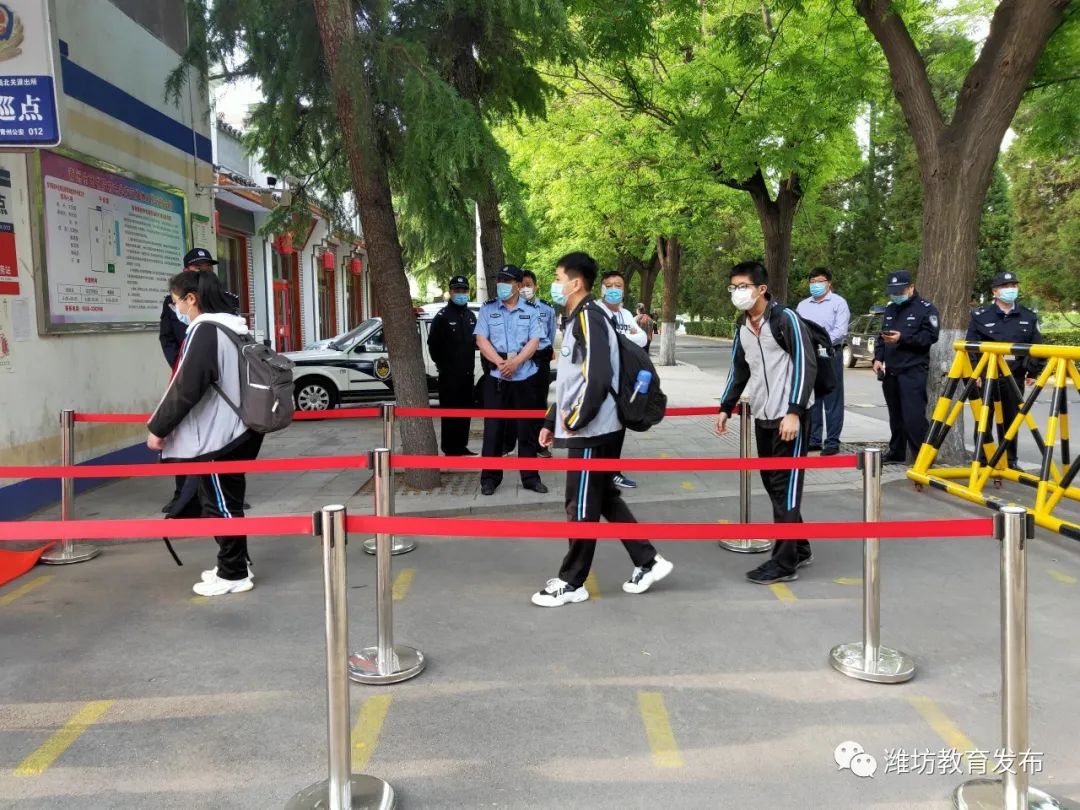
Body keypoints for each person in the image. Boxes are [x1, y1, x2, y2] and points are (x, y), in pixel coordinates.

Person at [533, 252, 673, 607]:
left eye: (558, 278)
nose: (555, 284)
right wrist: (553, 420)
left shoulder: (589, 318)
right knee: (604, 496)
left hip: (593, 429)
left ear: (575, 283)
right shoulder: (580, 317)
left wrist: (574, 422)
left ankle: (572, 582)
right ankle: (648, 561)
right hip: (591, 426)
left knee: (580, 503)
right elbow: (572, 381)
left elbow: (597, 378)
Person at [147, 271, 264, 596]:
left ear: (191, 298)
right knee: (226, 501)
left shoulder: (206, 330)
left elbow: (186, 387)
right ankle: (236, 564)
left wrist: (158, 428)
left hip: (219, 436)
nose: (176, 309)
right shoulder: (232, 326)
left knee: (220, 505)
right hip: (239, 430)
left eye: (176, 302)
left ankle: (233, 573)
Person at [717, 261, 817, 585]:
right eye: (733, 287)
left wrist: (795, 411)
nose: (737, 292)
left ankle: (783, 563)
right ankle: (799, 548)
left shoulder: (785, 319)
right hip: (763, 416)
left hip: (790, 418)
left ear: (761, 289)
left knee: (785, 487)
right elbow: (739, 368)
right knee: (773, 484)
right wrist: (726, 406)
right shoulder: (743, 326)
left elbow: (806, 364)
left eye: (743, 286)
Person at [157, 248, 240, 515]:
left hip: (216, 393)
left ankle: (231, 550)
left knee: (220, 497)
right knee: (189, 440)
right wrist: (181, 364)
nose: (203, 271)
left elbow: (188, 390)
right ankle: (184, 496)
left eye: (206, 267)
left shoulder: (214, 315)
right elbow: (167, 338)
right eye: (197, 267)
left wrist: (157, 429)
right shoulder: (179, 306)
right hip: (192, 377)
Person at [474, 264, 548, 496]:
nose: (502, 285)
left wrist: (515, 363)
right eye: (500, 281)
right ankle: (490, 478)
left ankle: (530, 477)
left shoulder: (532, 310)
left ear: (517, 284)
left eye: (507, 281)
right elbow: (481, 340)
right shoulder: (488, 309)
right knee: (493, 430)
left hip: (524, 376)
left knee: (526, 430)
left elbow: (535, 341)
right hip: (497, 377)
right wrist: (500, 363)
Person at [965, 270, 1043, 469]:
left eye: (1013, 286)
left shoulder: (1028, 316)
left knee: (1011, 420)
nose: (1010, 289)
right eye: (1005, 287)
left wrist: (1033, 372)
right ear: (995, 291)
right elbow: (971, 347)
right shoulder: (981, 316)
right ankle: (982, 460)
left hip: (1014, 377)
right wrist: (975, 373)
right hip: (987, 376)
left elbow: (1037, 346)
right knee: (984, 420)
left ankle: (1009, 461)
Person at [873, 270, 940, 464]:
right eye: (893, 292)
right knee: (896, 416)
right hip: (891, 371)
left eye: (900, 291)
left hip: (913, 370)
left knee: (913, 417)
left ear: (911, 287)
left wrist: (903, 338)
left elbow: (930, 337)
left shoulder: (926, 309)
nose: (896, 295)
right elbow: (881, 337)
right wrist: (878, 358)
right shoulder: (890, 309)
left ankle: (923, 458)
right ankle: (896, 452)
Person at [600, 270, 647, 489]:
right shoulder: (595, 312)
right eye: (609, 285)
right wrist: (626, 338)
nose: (614, 289)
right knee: (600, 429)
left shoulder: (626, 314)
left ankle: (613, 472)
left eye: (618, 286)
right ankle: (597, 473)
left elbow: (642, 338)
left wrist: (620, 338)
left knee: (619, 427)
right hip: (601, 381)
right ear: (601, 288)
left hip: (624, 380)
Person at [796, 267, 850, 456]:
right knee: (813, 397)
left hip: (830, 353)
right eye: (812, 282)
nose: (815, 285)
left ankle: (832, 441)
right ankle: (814, 438)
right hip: (809, 355)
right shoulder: (803, 305)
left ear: (829, 283)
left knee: (832, 398)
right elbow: (798, 328)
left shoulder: (838, 303)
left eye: (819, 281)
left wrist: (821, 342)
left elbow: (840, 331)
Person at [427, 276, 478, 456]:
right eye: (457, 290)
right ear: (450, 292)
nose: (461, 293)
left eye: (464, 290)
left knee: (465, 411)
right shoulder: (442, 317)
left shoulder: (471, 316)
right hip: (449, 376)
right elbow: (433, 345)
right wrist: (443, 366)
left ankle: (461, 445)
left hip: (467, 374)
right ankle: (450, 448)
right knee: (450, 413)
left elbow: (476, 342)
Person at [521, 269, 556, 459]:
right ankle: (522, 443)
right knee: (522, 402)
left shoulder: (547, 309)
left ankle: (540, 444)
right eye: (521, 285)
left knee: (540, 401)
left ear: (535, 287)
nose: (525, 289)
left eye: (528, 285)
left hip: (540, 360)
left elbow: (550, 335)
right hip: (520, 361)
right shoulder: (512, 308)